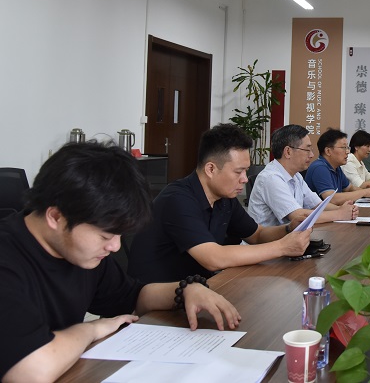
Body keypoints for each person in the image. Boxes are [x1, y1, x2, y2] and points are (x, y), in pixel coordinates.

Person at [0, 142, 241, 382]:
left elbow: (133, 297)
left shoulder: (80, 252)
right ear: (56, 216)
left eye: (119, 235)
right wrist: (91, 329)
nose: (115, 247)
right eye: (106, 236)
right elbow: (30, 371)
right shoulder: (8, 260)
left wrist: (187, 289)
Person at [127, 124, 311, 284]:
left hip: (198, 288)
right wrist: (282, 247)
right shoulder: (177, 199)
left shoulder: (225, 198)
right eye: (238, 172)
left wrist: (289, 228)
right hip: (158, 298)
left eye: (246, 171)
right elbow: (214, 258)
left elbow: (257, 235)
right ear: (211, 169)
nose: (245, 179)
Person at [247, 124, 359, 227]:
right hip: (268, 241)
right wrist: (339, 214)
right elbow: (298, 216)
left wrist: (344, 209)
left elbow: (317, 205)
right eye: (307, 149)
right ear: (288, 152)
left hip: (290, 238)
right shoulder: (271, 178)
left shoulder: (296, 176)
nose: (312, 155)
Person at [305, 128, 370, 204]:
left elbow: (349, 188)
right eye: (343, 148)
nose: (347, 151)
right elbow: (332, 198)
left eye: (347, 148)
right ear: (328, 151)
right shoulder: (320, 168)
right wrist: (364, 192)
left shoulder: (336, 167)